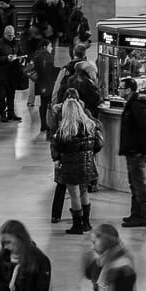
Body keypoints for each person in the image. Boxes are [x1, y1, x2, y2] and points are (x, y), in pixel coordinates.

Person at [52, 95, 103, 234]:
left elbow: (59, 148)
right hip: (87, 165)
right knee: (84, 191)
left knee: (74, 195)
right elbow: (99, 144)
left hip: (71, 167)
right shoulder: (90, 126)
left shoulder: (65, 130)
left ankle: (77, 225)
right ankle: (86, 223)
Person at [117, 77, 146, 228]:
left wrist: (139, 150)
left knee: (138, 184)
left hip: (137, 152)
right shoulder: (133, 104)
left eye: (121, 88)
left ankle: (140, 216)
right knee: (134, 183)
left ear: (128, 90)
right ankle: (135, 214)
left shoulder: (137, 106)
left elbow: (145, 129)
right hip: (134, 151)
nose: (118, 90)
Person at [0, 26, 23, 123]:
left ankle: (11, 113)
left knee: (12, 93)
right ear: (4, 34)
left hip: (13, 72)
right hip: (3, 72)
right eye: (9, 35)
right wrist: (6, 58)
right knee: (2, 94)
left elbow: (21, 53)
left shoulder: (16, 43)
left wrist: (20, 58)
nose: (11, 37)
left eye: (12, 35)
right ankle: (2, 114)